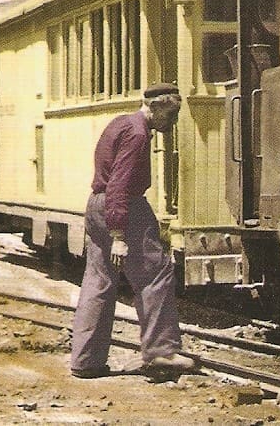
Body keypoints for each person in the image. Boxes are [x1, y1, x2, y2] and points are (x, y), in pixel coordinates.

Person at [70, 83, 199, 378]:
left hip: (98, 205)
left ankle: (86, 360)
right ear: (155, 107)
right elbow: (119, 183)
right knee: (156, 274)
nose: (174, 121)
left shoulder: (122, 122)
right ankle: (162, 353)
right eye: (172, 113)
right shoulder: (139, 135)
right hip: (124, 208)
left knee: (99, 282)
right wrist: (118, 235)